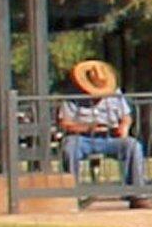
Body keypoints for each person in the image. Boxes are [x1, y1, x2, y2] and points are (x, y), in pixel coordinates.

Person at [56, 59, 147, 204]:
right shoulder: (72, 96)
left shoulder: (115, 93)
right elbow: (65, 123)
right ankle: (73, 195)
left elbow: (126, 116)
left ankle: (136, 195)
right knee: (69, 148)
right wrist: (88, 127)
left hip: (110, 137)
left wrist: (124, 127)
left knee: (133, 146)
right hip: (82, 138)